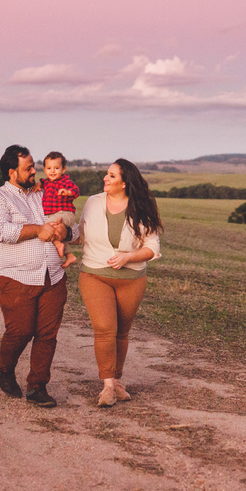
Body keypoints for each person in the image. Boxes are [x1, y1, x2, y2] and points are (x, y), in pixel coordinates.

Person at [0, 144, 77, 408]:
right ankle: (4, 367)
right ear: (12, 172)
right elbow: (0, 231)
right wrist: (37, 229)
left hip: (53, 277)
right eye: (28, 168)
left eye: (34, 166)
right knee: (21, 331)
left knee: (47, 334)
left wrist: (67, 233)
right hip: (17, 278)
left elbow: (74, 226)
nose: (35, 171)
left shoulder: (45, 192)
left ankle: (37, 386)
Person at [75, 158, 162, 407]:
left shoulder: (142, 207)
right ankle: (107, 387)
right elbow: (80, 234)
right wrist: (61, 232)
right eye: (107, 174)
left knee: (122, 332)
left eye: (111, 175)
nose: (105, 178)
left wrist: (128, 257)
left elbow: (152, 247)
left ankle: (116, 380)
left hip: (132, 279)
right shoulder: (93, 202)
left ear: (125, 183)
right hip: (94, 274)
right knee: (105, 328)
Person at [41, 152, 79, 268]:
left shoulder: (65, 182)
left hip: (65, 213)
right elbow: (40, 183)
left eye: (56, 168)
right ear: (44, 170)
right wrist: (38, 185)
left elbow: (75, 191)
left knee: (47, 227)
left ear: (63, 169)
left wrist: (68, 192)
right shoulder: (46, 183)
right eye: (49, 168)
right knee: (57, 233)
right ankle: (69, 255)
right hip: (56, 214)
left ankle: (58, 244)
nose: (52, 171)